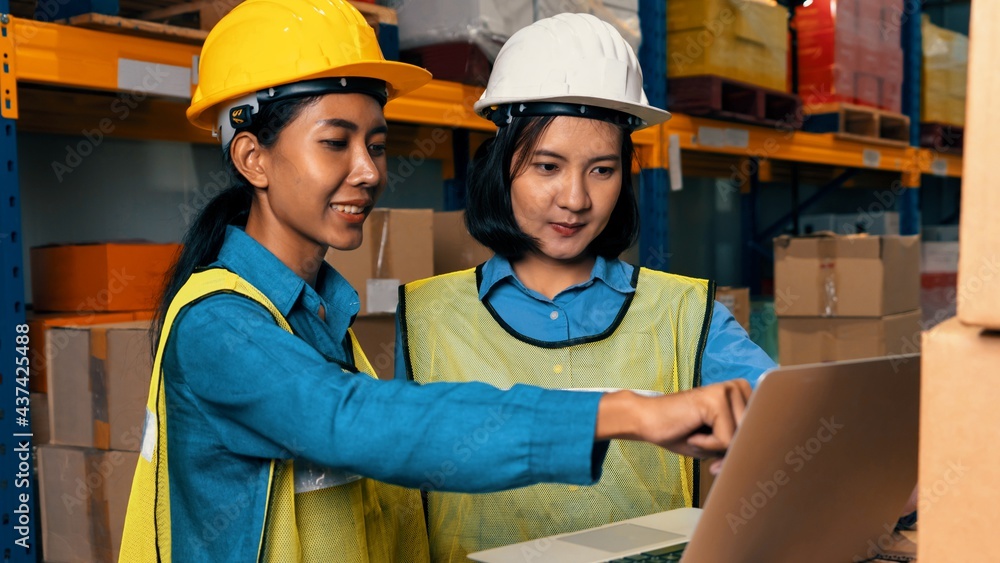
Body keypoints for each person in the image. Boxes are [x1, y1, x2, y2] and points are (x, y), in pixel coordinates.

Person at [118, 2, 751, 561]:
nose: (368, 171)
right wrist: (624, 412)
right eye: (336, 142)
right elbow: (356, 423)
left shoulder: (318, 316)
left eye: (377, 144)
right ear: (253, 157)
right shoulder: (218, 323)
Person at [395, 13, 777, 561]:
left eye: (602, 170)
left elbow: (795, 422)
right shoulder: (425, 317)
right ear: (501, 169)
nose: (575, 198)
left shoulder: (684, 314)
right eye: (548, 166)